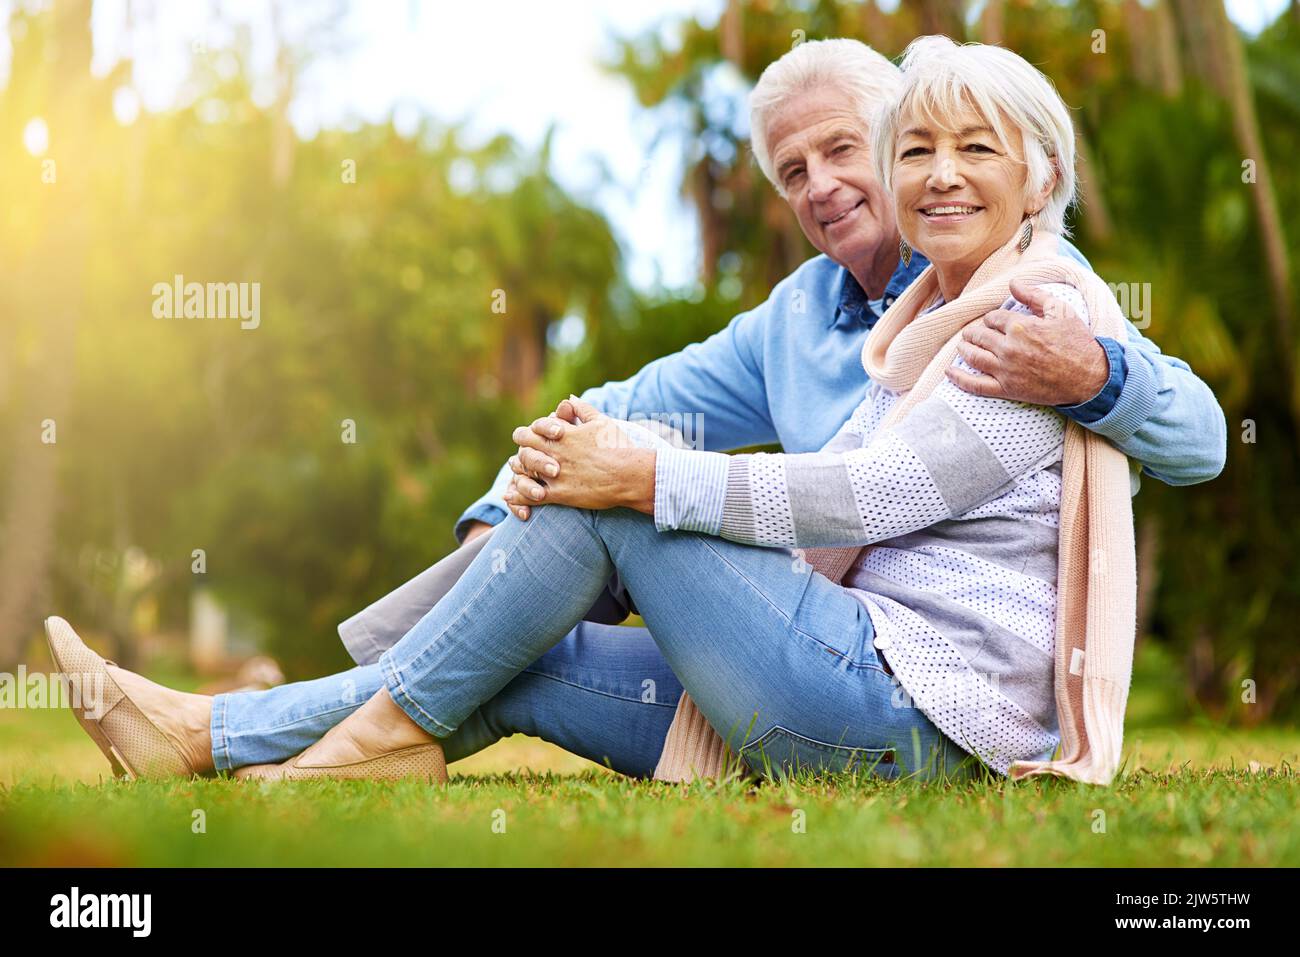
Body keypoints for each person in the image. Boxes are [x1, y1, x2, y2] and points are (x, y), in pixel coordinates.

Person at [44, 38, 1220, 784]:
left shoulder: (1034, 326)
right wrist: (526, 492)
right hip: (822, 659)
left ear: (1041, 179)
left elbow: (871, 496)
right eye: (918, 150)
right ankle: (248, 740)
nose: (928, 174)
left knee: (620, 488)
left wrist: (638, 476)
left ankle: (223, 733)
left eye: (969, 149)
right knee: (506, 648)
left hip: (910, 705)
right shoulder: (881, 319)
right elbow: (632, 403)